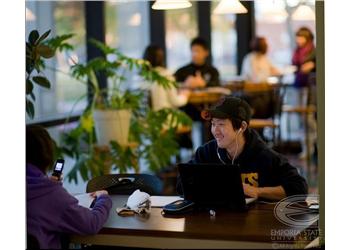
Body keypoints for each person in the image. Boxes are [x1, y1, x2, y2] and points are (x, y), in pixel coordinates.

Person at [177, 97, 308, 201]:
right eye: (213, 124)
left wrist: (257, 191)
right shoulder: (206, 152)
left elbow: (299, 189)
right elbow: (181, 185)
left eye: (221, 124)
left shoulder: (264, 155)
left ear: (242, 127)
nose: (215, 131)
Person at [26, 125, 112, 249]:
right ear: (46, 155)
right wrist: (104, 198)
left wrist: (45, 184)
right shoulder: (51, 196)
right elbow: (91, 224)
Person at [143, 45, 190, 112]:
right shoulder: (166, 75)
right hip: (166, 119)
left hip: (148, 120)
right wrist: (185, 96)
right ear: (162, 58)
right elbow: (175, 102)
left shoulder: (142, 77)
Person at [292, 26, 316, 105]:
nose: (298, 40)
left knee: (309, 107)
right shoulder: (297, 51)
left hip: (310, 84)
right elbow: (294, 64)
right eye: (297, 37)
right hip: (298, 82)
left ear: (307, 38)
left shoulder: (313, 51)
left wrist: (313, 65)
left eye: (301, 37)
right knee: (298, 106)